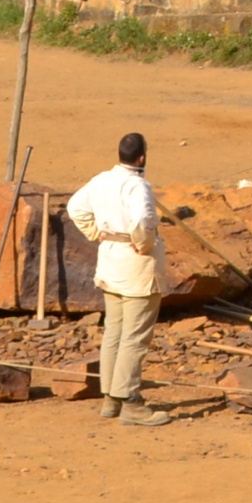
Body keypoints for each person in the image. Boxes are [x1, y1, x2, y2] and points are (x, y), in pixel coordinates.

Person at [67, 131, 171, 428]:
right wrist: (145, 243)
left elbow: (76, 207)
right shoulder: (138, 185)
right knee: (134, 337)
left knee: (114, 332)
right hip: (135, 264)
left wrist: (94, 231)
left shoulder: (102, 179)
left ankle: (110, 399)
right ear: (142, 157)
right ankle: (131, 403)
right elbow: (142, 221)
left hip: (110, 258)